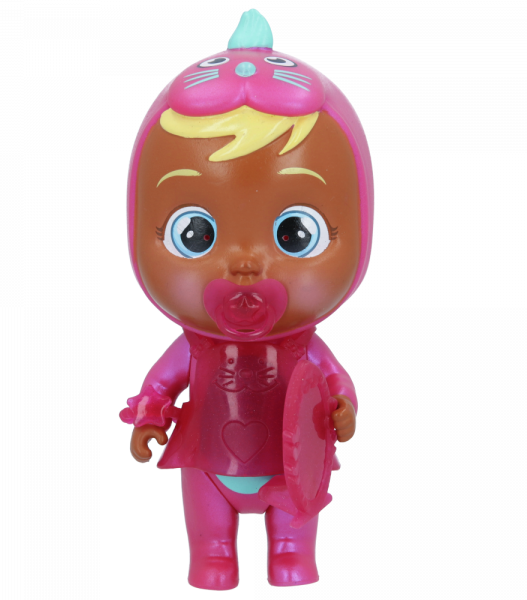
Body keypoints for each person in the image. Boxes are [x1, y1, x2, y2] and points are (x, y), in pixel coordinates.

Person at [119, 8, 373, 590]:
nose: (244, 264)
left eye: (295, 234)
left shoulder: (306, 346)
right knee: (208, 537)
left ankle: (290, 553)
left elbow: (337, 384)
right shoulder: (194, 345)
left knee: (295, 527)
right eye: (194, 234)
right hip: (208, 464)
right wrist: (150, 415)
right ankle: (213, 557)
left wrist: (342, 408)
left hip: (291, 466)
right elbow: (161, 383)